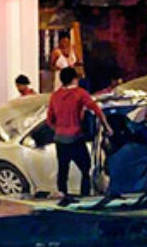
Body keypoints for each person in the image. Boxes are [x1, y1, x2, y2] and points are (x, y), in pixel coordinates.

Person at [47, 67, 113, 206]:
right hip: (75, 138)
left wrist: (58, 129)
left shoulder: (55, 96)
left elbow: (49, 120)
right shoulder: (80, 93)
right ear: (74, 79)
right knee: (85, 168)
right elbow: (97, 110)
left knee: (63, 170)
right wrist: (107, 127)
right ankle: (84, 198)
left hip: (60, 139)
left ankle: (63, 197)